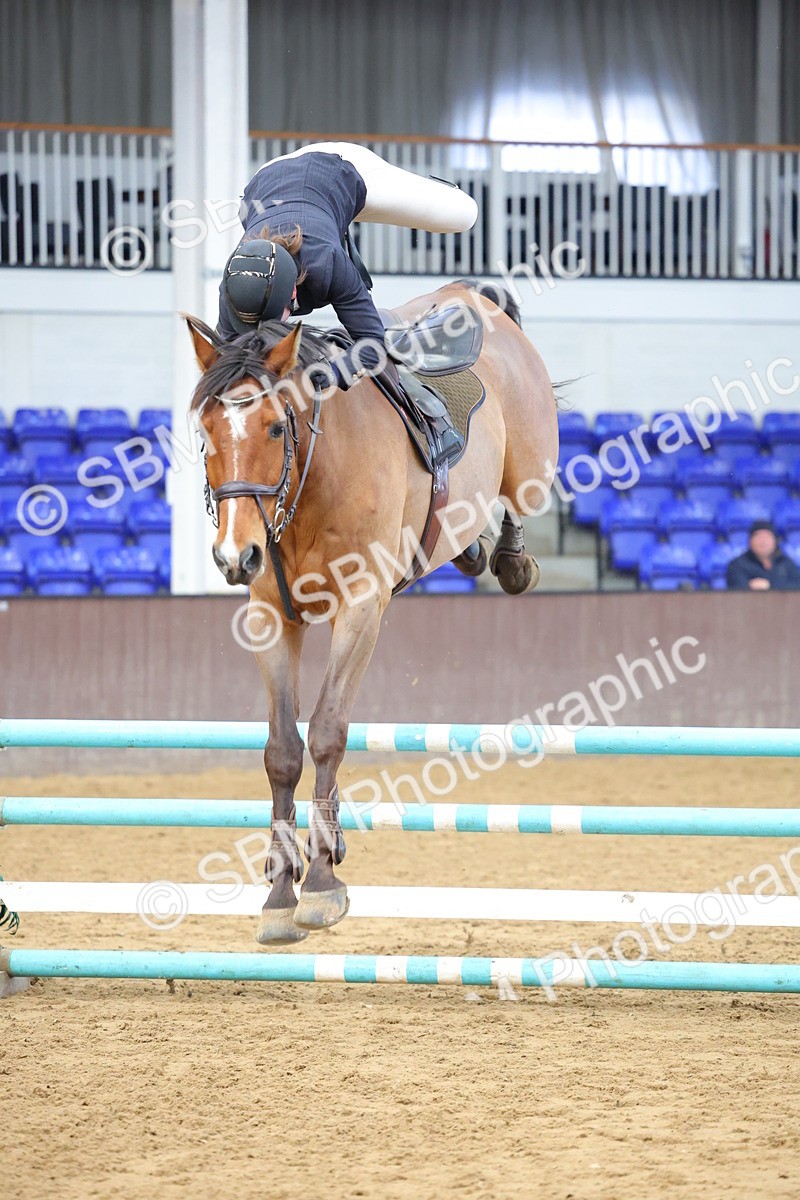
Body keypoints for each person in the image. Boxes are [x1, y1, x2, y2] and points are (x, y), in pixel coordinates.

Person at [216, 143, 478, 430]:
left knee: (463, 215)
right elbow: (225, 360)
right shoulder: (235, 282)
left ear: (293, 292)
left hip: (342, 167)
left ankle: (438, 189)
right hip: (269, 176)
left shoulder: (327, 263)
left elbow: (373, 342)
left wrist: (334, 371)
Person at [725, 521, 800, 591]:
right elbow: (737, 589)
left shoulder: (786, 563)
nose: (763, 541)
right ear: (750, 541)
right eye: (758, 536)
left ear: (775, 541)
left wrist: (770, 586)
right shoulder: (737, 565)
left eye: (767, 537)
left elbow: (797, 585)